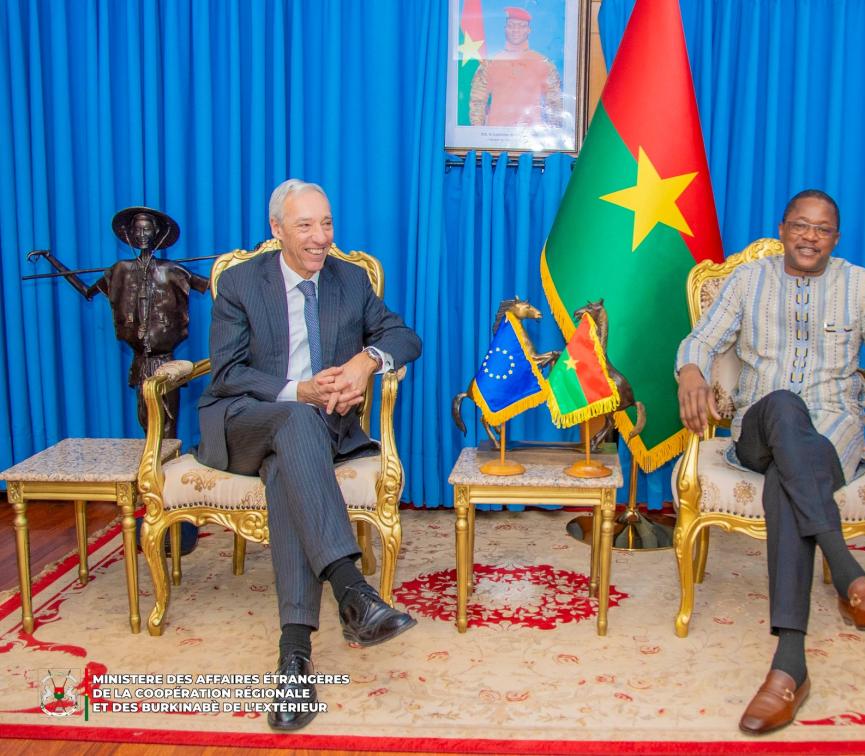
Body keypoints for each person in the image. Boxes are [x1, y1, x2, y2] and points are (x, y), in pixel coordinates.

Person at [676, 189, 865, 734]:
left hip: (835, 430)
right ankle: (851, 576)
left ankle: (790, 667)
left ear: (836, 237)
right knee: (785, 407)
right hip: (758, 428)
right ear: (783, 228)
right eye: (801, 226)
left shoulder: (861, 285)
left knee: (789, 479)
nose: (811, 236)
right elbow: (701, 339)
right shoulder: (747, 280)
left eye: (823, 229)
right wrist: (691, 371)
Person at [196, 179, 422, 731]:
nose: (320, 238)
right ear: (276, 230)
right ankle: (352, 589)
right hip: (247, 421)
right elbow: (226, 375)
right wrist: (299, 390)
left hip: (311, 437)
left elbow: (404, 336)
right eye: (305, 226)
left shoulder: (350, 280)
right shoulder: (241, 283)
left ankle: (294, 657)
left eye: (326, 224)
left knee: (288, 465)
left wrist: (366, 362)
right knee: (296, 420)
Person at [27, 207, 210, 437]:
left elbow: (214, 283)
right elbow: (87, 291)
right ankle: (148, 468)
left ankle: (169, 467)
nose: (142, 235)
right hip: (140, 362)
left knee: (168, 423)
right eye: (138, 230)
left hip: (167, 362)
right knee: (146, 421)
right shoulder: (119, 270)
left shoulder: (174, 271)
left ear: (156, 233)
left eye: (147, 229)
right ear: (130, 234)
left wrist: (246, 260)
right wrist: (52, 260)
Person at [468, 6, 563, 128]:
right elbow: (477, 101)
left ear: (529, 30)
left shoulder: (544, 64)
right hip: (495, 139)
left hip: (532, 139)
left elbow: (555, 103)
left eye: (521, 26)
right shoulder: (490, 63)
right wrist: (478, 132)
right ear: (505, 29)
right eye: (511, 25)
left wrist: (552, 137)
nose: (515, 30)